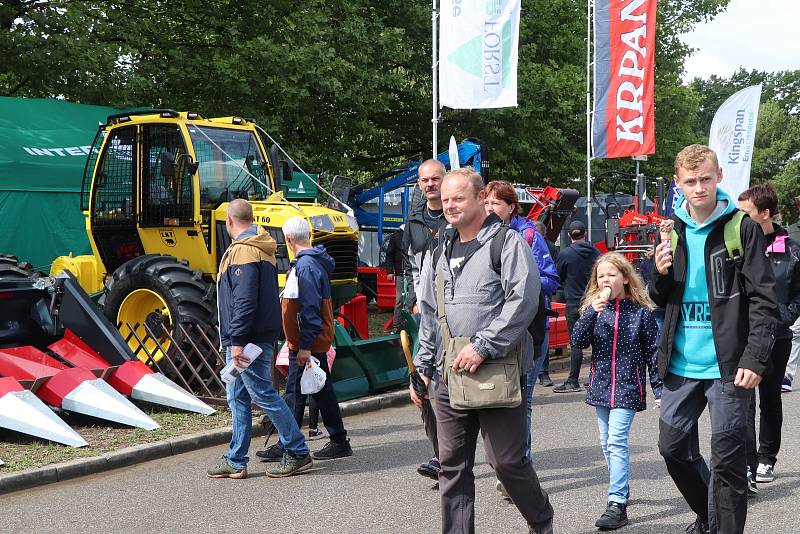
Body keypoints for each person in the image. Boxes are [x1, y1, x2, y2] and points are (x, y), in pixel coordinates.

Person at [412, 168, 553, 534]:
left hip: (495, 372)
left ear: (480, 199)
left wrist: (483, 346)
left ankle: (541, 520)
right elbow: (430, 311)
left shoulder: (506, 243)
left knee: (506, 462)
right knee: (452, 466)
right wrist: (422, 366)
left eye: (458, 198)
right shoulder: (439, 247)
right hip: (447, 374)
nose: (450, 205)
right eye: (445, 200)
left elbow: (523, 301)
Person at [651, 144, 779, 534]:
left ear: (719, 176)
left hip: (729, 369)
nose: (699, 187)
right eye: (690, 181)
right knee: (672, 448)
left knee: (727, 462)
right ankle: (710, 516)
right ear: (678, 184)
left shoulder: (741, 228)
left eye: (706, 178)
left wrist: (755, 359)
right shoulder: (670, 229)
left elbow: (764, 301)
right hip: (680, 365)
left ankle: (723, 526)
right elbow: (660, 298)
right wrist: (658, 275)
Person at [207, 199, 311, 479]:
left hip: (245, 340)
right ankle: (235, 459)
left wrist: (237, 340)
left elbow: (243, 301)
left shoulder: (241, 251)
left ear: (229, 221)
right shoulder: (262, 248)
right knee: (238, 395)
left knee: (260, 394)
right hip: (256, 336)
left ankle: (298, 450)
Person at [572, 252, 662, 530]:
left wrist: (660, 390)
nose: (605, 280)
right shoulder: (595, 310)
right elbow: (577, 341)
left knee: (616, 440)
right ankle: (619, 488)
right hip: (600, 386)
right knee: (605, 443)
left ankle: (617, 501)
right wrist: (591, 312)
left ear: (625, 277)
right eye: (601, 276)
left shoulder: (641, 314)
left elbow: (653, 355)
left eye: (611, 274)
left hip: (627, 386)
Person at [484, 180, 559, 497]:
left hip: (529, 329)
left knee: (522, 401)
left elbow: (551, 279)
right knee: (494, 400)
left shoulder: (529, 235)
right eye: (486, 203)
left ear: (511, 207)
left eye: (496, 204)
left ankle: (517, 468)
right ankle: (504, 464)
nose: (490, 209)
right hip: (492, 331)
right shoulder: (477, 237)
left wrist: (520, 277)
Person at [261, 216, 353, 462]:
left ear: (289, 239)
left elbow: (309, 309)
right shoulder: (310, 263)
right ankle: (336, 440)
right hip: (309, 340)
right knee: (317, 390)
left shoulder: (305, 267)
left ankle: (290, 443)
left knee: (296, 391)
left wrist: (303, 347)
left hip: (306, 342)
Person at [738, 183, 800, 492]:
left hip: (778, 337)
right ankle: (747, 463)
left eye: (746, 212)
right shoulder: (737, 244)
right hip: (743, 338)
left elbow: (798, 295)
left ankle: (766, 458)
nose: (741, 218)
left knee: (769, 401)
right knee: (742, 402)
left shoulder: (792, 250)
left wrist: (784, 316)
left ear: (764, 213)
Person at [403, 158, 447, 479]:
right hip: (427, 313)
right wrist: (412, 300)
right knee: (423, 381)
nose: (430, 184)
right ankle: (440, 454)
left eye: (435, 178)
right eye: (424, 180)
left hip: (457, 312)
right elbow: (410, 268)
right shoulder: (413, 222)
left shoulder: (456, 216)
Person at [553, 220, 601, 393]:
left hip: (573, 302)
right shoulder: (596, 252)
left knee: (576, 343)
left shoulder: (565, 254)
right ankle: (596, 377)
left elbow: (558, 276)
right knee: (597, 341)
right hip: (593, 302)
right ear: (585, 234)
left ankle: (573, 381)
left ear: (569, 235)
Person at [533, 219, 559, 387]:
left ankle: (542, 373)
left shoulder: (546, 248)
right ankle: (544, 374)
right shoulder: (552, 248)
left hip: (541, 298)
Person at [383, 224, 410, 332]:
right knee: (399, 299)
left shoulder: (413, 233)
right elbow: (389, 255)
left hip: (411, 272)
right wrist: (389, 271)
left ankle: (408, 324)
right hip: (399, 272)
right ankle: (396, 324)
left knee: (410, 299)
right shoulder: (395, 236)